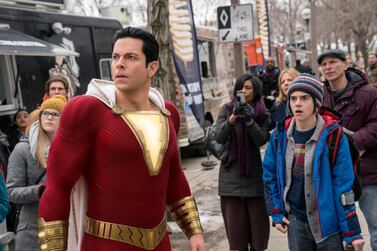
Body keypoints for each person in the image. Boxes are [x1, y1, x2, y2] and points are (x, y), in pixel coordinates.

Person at [37, 26, 204, 251]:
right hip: (104, 245)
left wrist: (194, 231)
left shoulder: (168, 113)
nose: (119, 64)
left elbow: (173, 177)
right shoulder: (86, 110)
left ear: (152, 67)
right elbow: (57, 187)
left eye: (131, 57)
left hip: (160, 244)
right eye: (115, 56)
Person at [263, 73, 365, 251]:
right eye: (293, 98)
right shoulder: (280, 135)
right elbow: (269, 175)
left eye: (304, 98)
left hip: (328, 226)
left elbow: (343, 187)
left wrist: (352, 232)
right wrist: (276, 211)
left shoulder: (334, 136)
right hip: (296, 223)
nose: (297, 103)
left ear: (316, 103)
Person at [318, 49, 377, 251]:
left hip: (367, 172)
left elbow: (376, 125)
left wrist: (351, 141)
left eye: (333, 62)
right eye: (324, 64)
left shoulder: (369, 93)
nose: (328, 67)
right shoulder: (319, 97)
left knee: (376, 229)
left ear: (345, 64)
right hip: (333, 177)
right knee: (341, 233)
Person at [213, 74, 270, 251]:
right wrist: (231, 120)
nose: (245, 91)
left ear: (255, 90)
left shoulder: (261, 112)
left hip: (254, 180)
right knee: (237, 242)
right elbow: (219, 137)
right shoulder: (227, 109)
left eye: (249, 88)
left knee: (259, 238)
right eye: (242, 87)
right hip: (231, 181)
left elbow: (261, 140)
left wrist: (249, 121)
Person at [6, 95, 67, 251]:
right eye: (45, 113)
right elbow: (11, 192)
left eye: (55, 114)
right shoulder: (23, 149)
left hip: (64, 227)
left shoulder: (70, 149)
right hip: (32, 231)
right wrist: (39, 190)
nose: (49, 117)